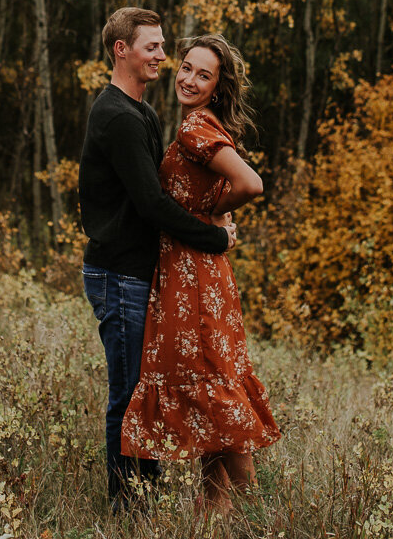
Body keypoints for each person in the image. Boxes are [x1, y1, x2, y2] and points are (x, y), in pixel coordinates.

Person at [78, 8, 235, 509]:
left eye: (164, 46)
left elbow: (166, 192)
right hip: (117, 273)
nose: (164, 56)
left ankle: (146, 495)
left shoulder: (141, 113)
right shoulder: (117, 117)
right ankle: (128, 507)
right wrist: (214, 238)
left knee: (146, 390)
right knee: (128, 394)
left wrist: (211, 211)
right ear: (121, 49)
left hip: (137, 272)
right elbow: (152, 204)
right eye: (153, 47)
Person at [121, 32, 280, 515]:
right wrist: (211, 211)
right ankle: (231, 509)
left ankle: (235, 509)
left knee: (209, 383)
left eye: (202, 74)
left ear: (217, 86)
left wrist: (214, 211)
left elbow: (249, 183)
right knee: (211, 382)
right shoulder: (198, 124)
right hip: (199, 273)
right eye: (186, 68)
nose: (188, 79)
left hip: (194, 276)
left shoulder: (196, 128)